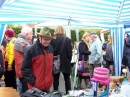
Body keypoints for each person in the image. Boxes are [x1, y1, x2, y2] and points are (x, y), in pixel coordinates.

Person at [21, 27, 55, 93]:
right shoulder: (31, 50)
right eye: (45, 39)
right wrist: (34, 82)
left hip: (47, 86)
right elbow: (24, 68)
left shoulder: (50, 48)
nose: (47, 41)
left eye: (49, 39)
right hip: (34, 88)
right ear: (39, 37)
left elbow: (51, 65)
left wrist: (51, 77)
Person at [50, 26, 72, 94]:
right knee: (67, 79)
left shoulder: (52, 40)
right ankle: (68, 94)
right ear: (63, 30)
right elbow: (69, 53)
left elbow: (50, 51)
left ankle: (56, 94)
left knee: (55, 80)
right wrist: (69, 60)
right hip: (65, 62)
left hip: (55, 62)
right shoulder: (67, 39)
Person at [14, 26, 33, 96]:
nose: (32, 35)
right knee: (26, 91)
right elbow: (31, 50)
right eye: (31, 34)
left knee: (24, 90)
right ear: (27, 34)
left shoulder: (21, 40)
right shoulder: (21, 42)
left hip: (21, 70)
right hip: (23, 71)